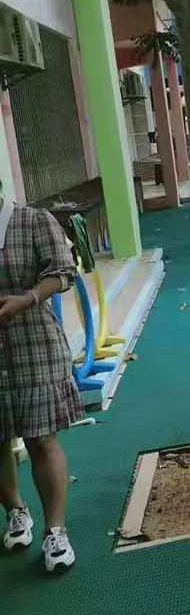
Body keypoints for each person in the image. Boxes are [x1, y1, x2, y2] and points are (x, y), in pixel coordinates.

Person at [0, 180, 82, 573]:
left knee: (39, 438)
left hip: (34, 347)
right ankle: (17, 511)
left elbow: (65, 273)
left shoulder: (32, 221)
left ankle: (55, 531)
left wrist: (28, 298)